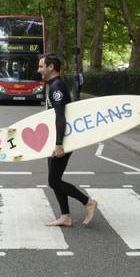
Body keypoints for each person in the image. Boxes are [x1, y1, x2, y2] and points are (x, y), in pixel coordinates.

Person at [37, 53, 97, 227]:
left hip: (63, 139)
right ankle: (65, 216)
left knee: (54, 180)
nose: (39, 69)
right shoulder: (53, 85)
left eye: (41, 66)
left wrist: (59, 144)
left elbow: (60, 117)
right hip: (56, 138)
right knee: (54, 178)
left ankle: (88, 202)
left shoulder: (57, 87)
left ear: (51, 67)